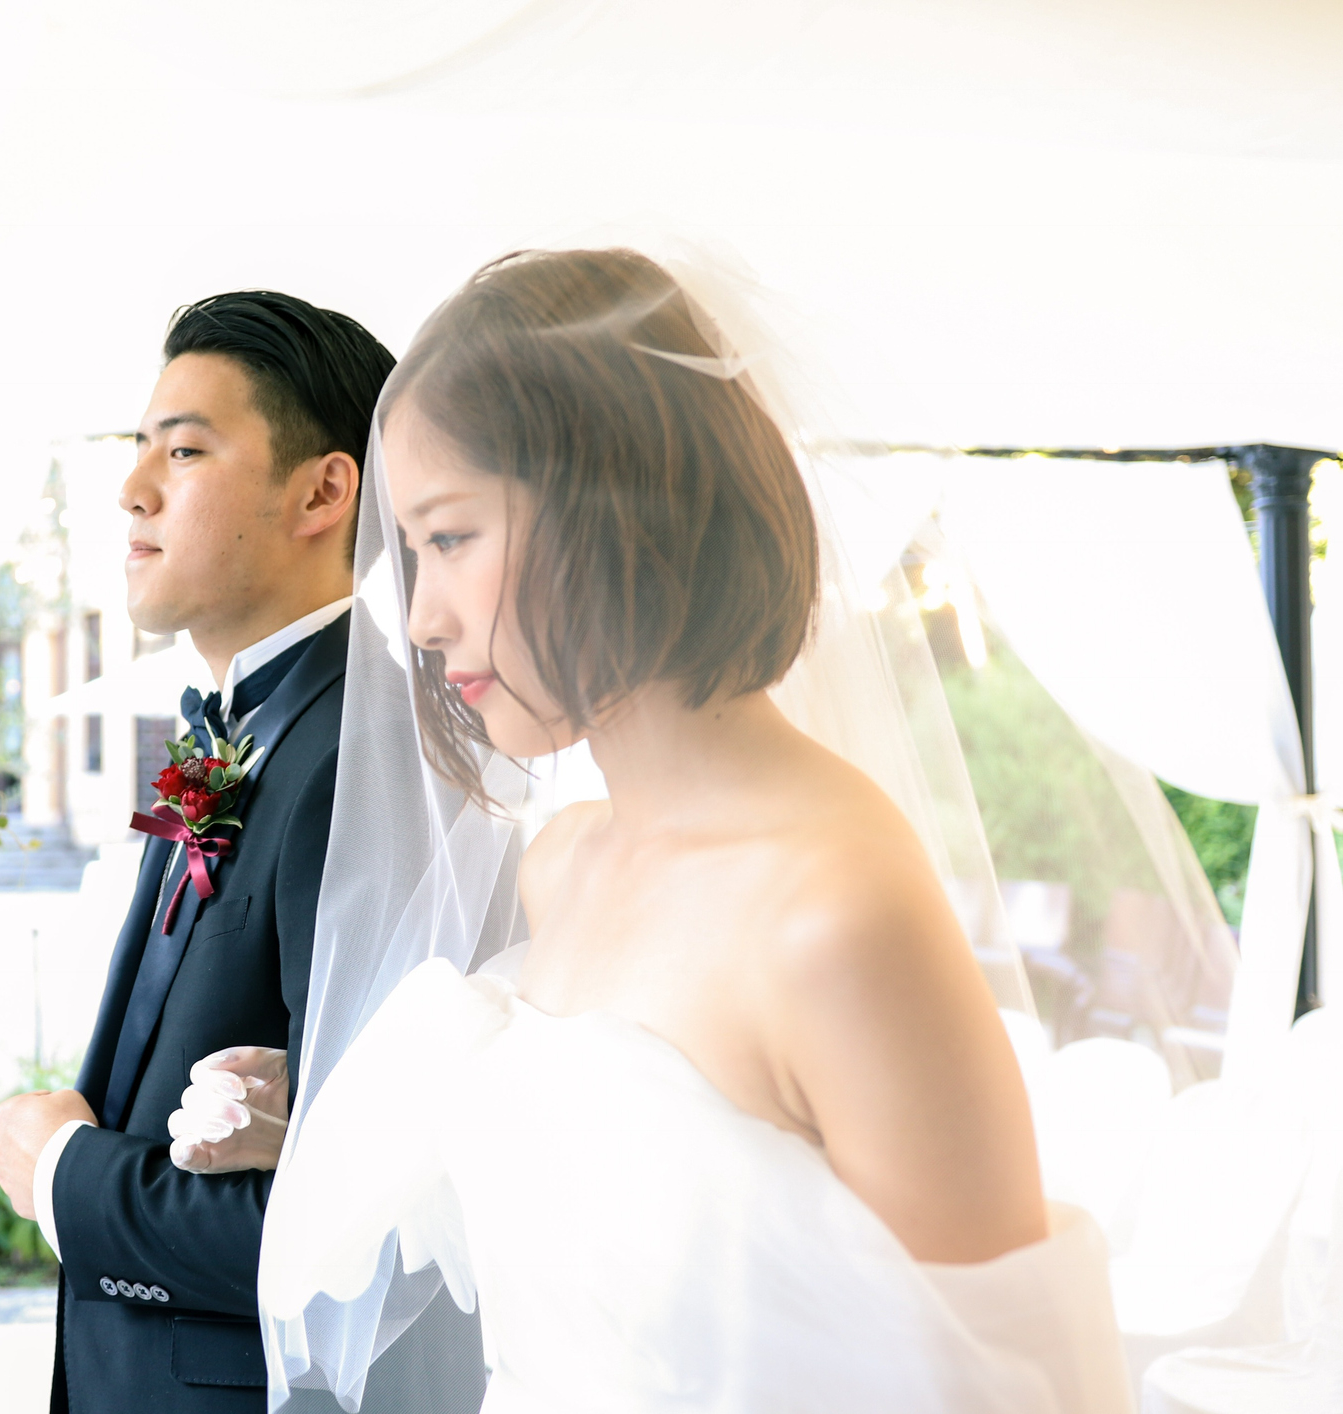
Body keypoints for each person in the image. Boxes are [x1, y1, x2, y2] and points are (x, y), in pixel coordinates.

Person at [169, 250, 1132, 1412]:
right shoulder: (563, 867)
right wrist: (318, 1118)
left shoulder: (834, 913)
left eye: (453, 538)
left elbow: (1006, 1385)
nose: (421, 618)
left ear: (613, 503)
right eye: (410, 556)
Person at [0, 291, 479, 1414]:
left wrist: (71, 1176)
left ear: (323, 488)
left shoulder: (370, 762)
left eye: (187, 448)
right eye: (139, 449)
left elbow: (370, 1239)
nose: (132, 490)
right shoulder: (249, 728)